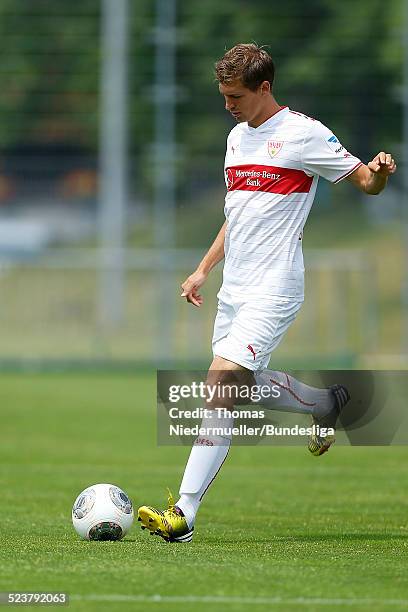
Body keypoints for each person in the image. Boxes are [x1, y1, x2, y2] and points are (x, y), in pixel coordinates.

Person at [138, 43, 396, 543]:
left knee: (220, 384)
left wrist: (381, 173)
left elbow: (365, 180)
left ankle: (184, 514)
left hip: (274, 286)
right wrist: (202, 270)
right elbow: (236, 218)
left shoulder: (303, 134)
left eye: (235, 96)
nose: (228, 105)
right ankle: (325, 402)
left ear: (264, 87)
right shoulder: (236, 138)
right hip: (234, 288)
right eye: (223, 96)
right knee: (237, 386)